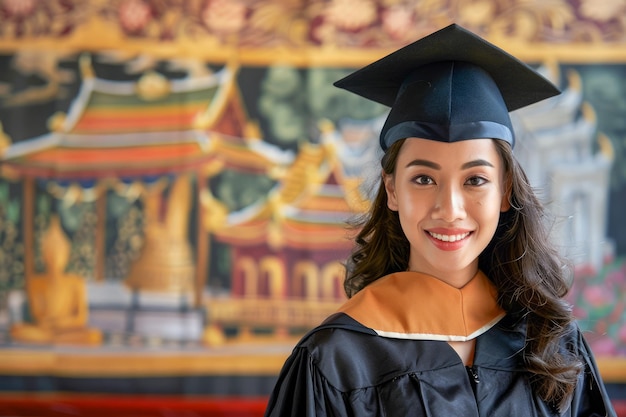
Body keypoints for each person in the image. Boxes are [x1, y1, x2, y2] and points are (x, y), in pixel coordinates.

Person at [264, 24, 616, 417]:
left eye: (475, 180)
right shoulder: (333, 362)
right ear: (392, 189)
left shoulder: (553, 344)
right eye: (424, 178)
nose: (449, 209)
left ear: (505, 192)